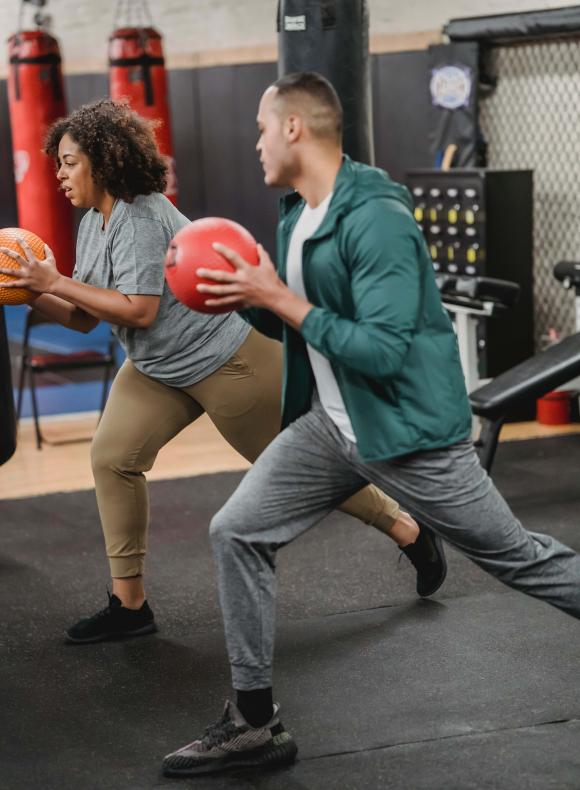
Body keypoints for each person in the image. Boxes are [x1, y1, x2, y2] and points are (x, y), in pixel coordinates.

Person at [161, 71, 580, 778]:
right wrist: (243, 296)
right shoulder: (298, 214)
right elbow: (302, 324)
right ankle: (254, 724)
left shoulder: (376, 216)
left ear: (295, 127)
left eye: (262, 127)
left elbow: (382, 351)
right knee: (237, 530)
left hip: (408, 435)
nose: (255, 142)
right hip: (330, 428)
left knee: (519, 559)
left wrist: (278, 298)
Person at [0, 98, 445, 645]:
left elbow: (138, 309)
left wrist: (53, 282)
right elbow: (79, 317)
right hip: (157, 367)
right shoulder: (94, 224)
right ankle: (130, 605)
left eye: (68, 162)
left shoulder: (141, 214)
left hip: (226, 361)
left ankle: (408, 528)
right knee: (112, 458)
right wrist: (25, 293)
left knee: (305, 472)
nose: (60, 175)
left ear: (101, 160)